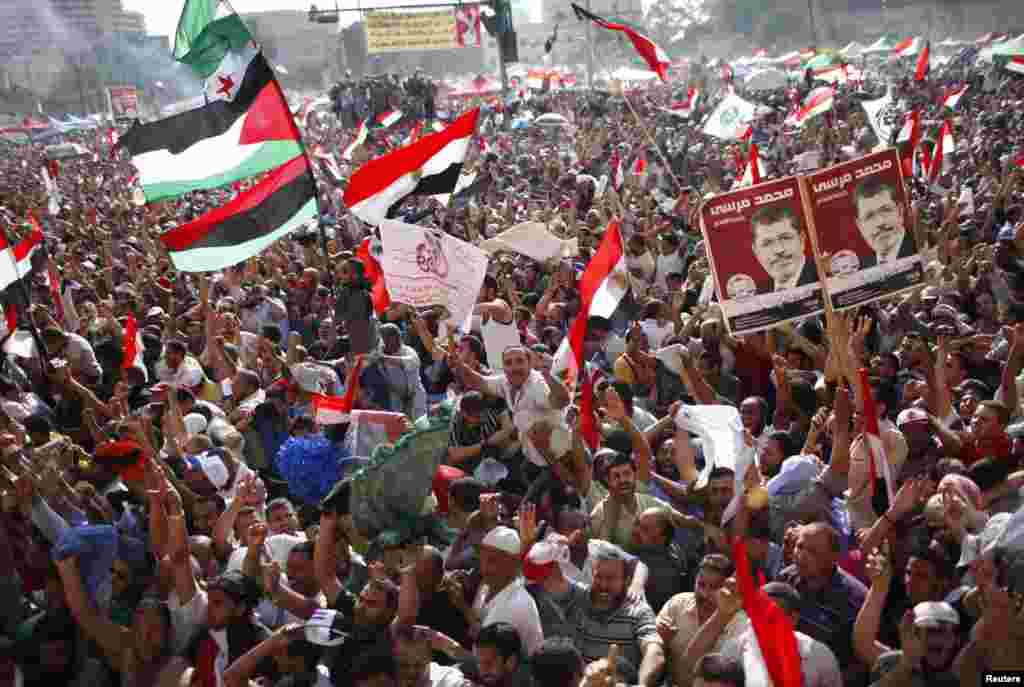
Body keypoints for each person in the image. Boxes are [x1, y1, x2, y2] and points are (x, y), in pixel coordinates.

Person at [749, 205, 819, 292]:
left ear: (802, 240)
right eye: (767, 243)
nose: (779, 249)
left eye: (785, 238)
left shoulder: (827, 276)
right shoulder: (756, 295)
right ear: (756, 252)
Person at [852, 178, 916, 267]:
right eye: (869, 216)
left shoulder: (921, 245)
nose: (880, 222)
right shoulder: (859, 269)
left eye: (886, 210)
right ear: (860, 227)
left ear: (900, 212)